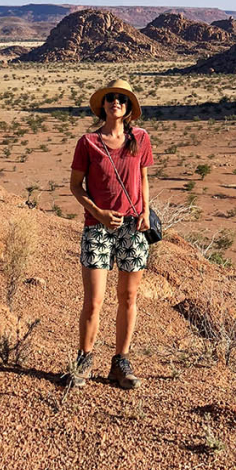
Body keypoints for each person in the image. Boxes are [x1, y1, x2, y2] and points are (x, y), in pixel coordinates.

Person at [64, 78, 153, 389]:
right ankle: (84, 361)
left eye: (122, 99)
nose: (116, 102)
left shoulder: (140, 138)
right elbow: (76, 186)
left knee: (128, 297)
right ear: (102, 105)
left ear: (128, 108)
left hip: (133, 228)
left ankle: (121, 362)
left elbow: (143, 179)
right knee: (94, 299)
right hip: (97, 227)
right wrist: (99, 213)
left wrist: (145, 212)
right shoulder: (87, 142)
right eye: (111, 98)